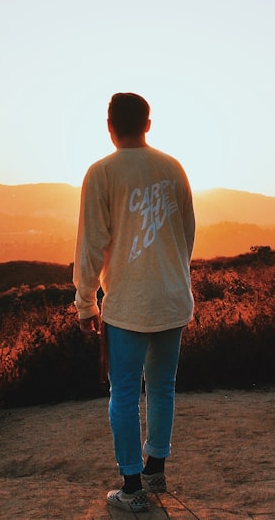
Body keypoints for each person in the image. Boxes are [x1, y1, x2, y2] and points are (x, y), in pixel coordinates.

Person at [73, 92, 196, 513]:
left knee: (123, 394)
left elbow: (92, 244)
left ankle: (132, 487)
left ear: (110, 126)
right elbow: (187, 235)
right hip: (172, 297)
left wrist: (85, 303)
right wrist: (173, 276)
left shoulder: (101, 173)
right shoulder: (173, 168)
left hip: (128, 302)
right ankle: (156, 468)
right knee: (163, 386)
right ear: (147, 123)